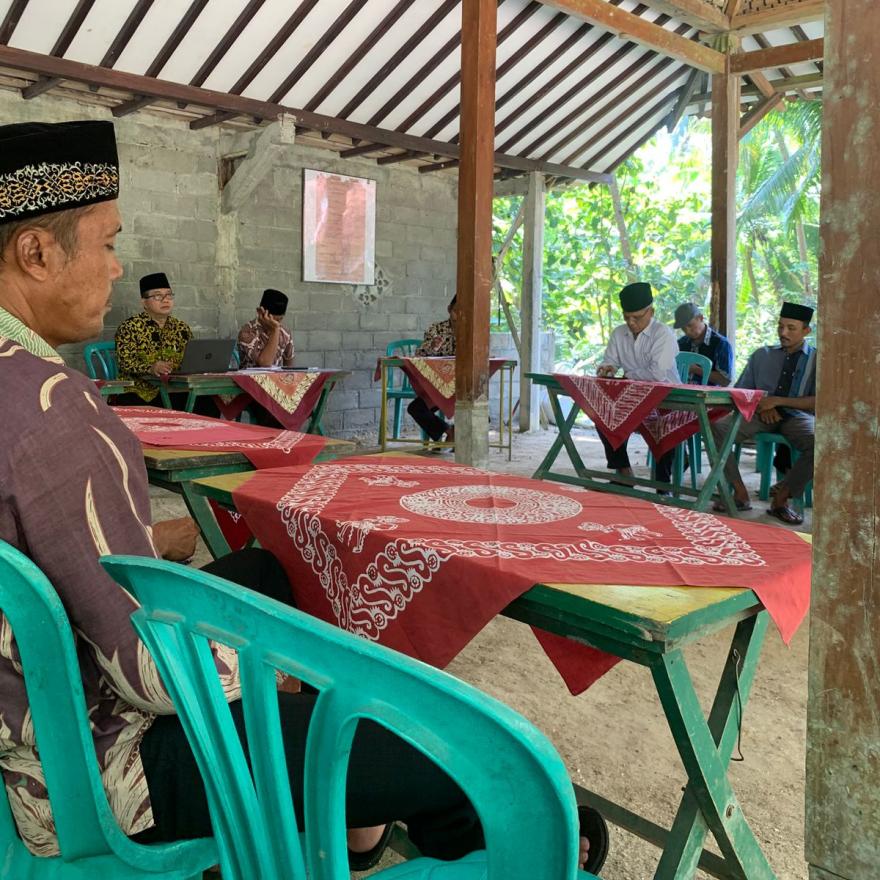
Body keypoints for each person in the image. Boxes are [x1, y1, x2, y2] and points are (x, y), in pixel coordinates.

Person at [0, 122, 603, 872]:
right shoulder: (48, 406)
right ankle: (489, 842)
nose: (119, 268)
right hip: (84, 762)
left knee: (266, 574)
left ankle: (354, 825)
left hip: (37, 681)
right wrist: (275, 668)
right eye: (107, 242)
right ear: (37, 252)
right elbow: (148, 673)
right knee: (466, 759)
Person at [710, 301, 816, 524]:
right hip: (759, 414)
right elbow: (740, 391)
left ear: (807, 331)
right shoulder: (762, 355)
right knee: (718, 428)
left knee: (821, 442)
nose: (783, 333)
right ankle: (739, 492)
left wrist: (777, 402)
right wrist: (761, 404)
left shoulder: (818, 360)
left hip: (797, 417)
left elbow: (819, 401)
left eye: (791, 328)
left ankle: (782, 498)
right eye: (780, 326)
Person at [596, 281, 679, 486]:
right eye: (627, 317)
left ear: (651, 311)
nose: (631, 322)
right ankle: (624, 471)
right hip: (633, 398)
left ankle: (663, 485)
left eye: (637, 317)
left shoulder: (664, 334)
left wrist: (629, 375)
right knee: (603, 415)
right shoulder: (619, 333)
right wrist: (608, 368)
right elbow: (611, 360)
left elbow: (657, 373)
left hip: (668, 400)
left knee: (665, 424)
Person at [114, 271, 193, 404]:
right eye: (157, 296)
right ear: (144, 302)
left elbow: (192, 357)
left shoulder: (181, 328)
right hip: (139, 391)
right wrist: (150, 368)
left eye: (169, 295)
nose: (165, 300)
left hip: (175, 389)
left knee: (207, 401)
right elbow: (125, 362)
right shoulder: (130, 327)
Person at [407, 295, 459, 445]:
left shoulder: (474, 332)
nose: (460, 315)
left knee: (479, 409)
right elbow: (420, 354)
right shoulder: (436, 329)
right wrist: (433, 347)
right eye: (457, 311)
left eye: (465, 312)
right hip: (439, 386)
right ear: (449, 310)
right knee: (416, 409)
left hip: (463, 386)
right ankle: (449, 431)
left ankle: (461, 436)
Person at [673, 302, 733, 386]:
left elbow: (725, 380)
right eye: (683, 328)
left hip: (709, 397)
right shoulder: (681, 344)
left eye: (690, 325)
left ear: (701, 318)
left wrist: (696, 369)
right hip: (681, 395)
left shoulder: (721, 344)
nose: (687, 331)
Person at [237, 287, 295, 369]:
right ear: (260, 312)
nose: (277, 323)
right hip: (249, 380)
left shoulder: (285, 332)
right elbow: (265, 363)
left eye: (280, 319)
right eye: (273, 319)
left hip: (276, 380)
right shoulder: (247, 332)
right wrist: (275, 330)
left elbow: (289, 366)